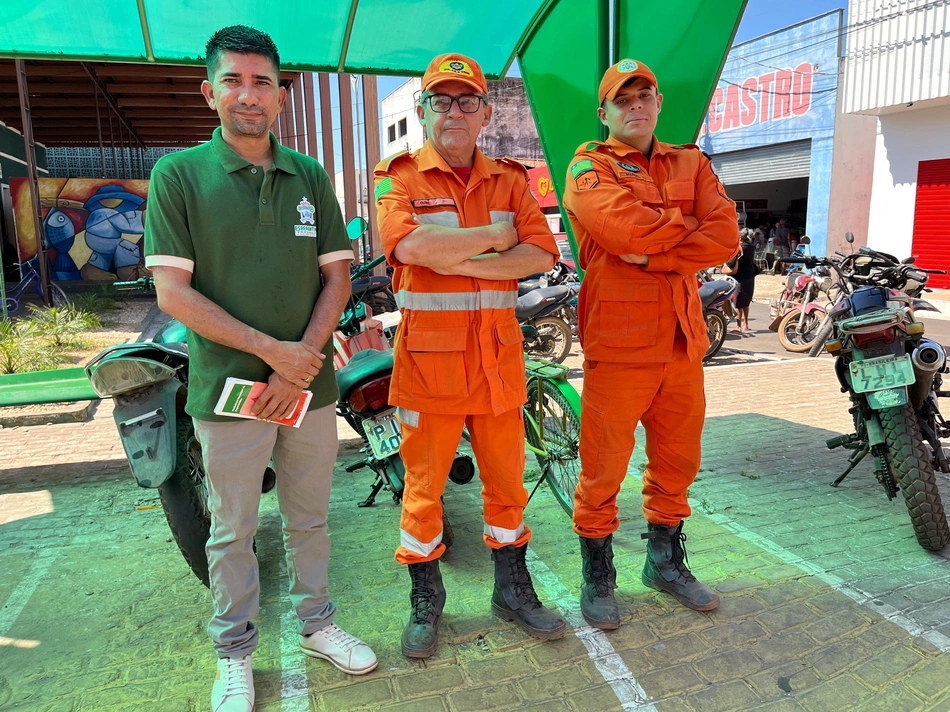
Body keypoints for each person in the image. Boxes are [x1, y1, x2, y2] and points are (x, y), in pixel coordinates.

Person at [144, 25, 377, 712]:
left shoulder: (308, 174)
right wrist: (277, 355)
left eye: (262, 81)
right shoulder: (178, 176)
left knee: (309, 518)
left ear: (280, 92)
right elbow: (173, 293)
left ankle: (318, 624)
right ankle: (234, 653)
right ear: (209, 91)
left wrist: (300, 364)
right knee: (233, 528)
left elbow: (337, 279)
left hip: (310, 388)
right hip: (228, 393)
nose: (249, 94)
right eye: (235, 80)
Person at [374, 53, 566, 658]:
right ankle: (426, 600)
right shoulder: (398, 176)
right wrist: (494, 238)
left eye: (465, 100)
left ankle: (511, 591)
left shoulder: (511, 179)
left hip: (497, 364)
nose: (453, 111)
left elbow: (541, 255)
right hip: (429, 368)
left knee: (508, 486)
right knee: (423, 492)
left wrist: (450, 255)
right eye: (440, 100)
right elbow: (408, 245)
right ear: (423, 110)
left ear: (485, 111)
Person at [562, 59, 739, 629]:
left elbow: (726, 234)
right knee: (603, 468)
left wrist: (650, 251)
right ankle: (598, 573)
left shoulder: (691, 160)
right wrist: (681, 230)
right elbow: (621, 231)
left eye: (645, 96)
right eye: (623, 99)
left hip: (684, 344)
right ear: (604, 112)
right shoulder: (589, 167)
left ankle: (664, 563)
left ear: (658, 102)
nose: (635, 106)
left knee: (677, 462)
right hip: (618, 346)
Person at [723, 229, 757, 332]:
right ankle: (745, 323)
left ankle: (738, 326)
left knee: (738, 303)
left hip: (739, 277)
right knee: (746, 302)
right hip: (749, 276)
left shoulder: (739, 248)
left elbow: (730, 263)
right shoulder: (751, 247)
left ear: (740, 238)